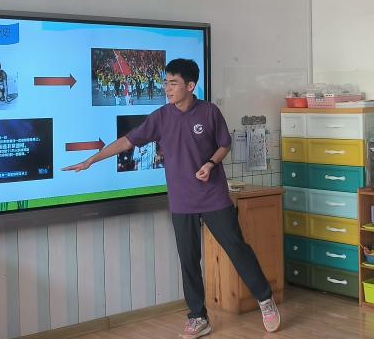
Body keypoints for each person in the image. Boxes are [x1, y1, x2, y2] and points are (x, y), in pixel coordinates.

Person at [63, 58, 280, 338]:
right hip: (181, 201)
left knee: (237, 248)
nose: (167, 88)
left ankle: (265, 299)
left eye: (173, 83)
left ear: (190, 86)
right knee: (188, 260)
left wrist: (210, 164)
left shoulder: (209, 112)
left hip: (213, 196)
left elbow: (224, 144)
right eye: (165, 82)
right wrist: (92, 160)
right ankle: (198, 317)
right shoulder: (161, 117)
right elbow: (127, 141)